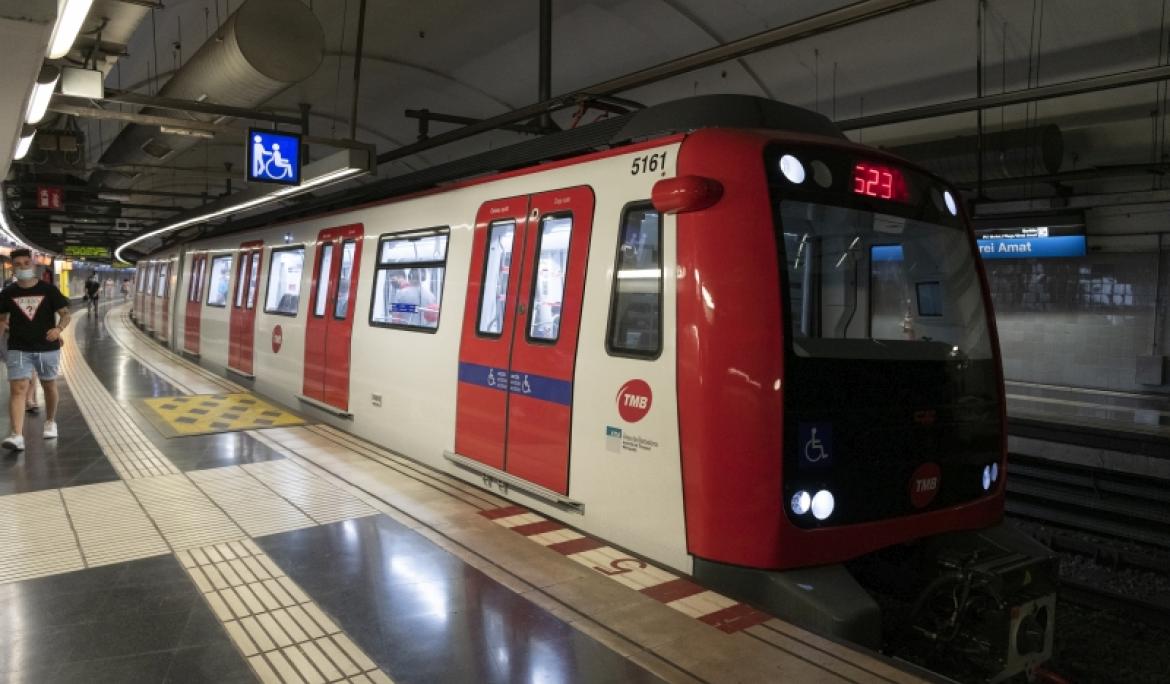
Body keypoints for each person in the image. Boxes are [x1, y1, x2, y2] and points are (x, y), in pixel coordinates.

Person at [0, 249, 71, 450]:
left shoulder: (49, 290)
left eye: (26, 262)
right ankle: (16, 435)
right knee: (18, 388)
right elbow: (1, 320)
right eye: (18, 264)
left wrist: (58, 329)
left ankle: (50, 422)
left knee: (49, 385)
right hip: (18, 347)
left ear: (33, 264)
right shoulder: (8, 293)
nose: (23, 267)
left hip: (47, 348)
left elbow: (66, 315)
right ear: (12, 267)